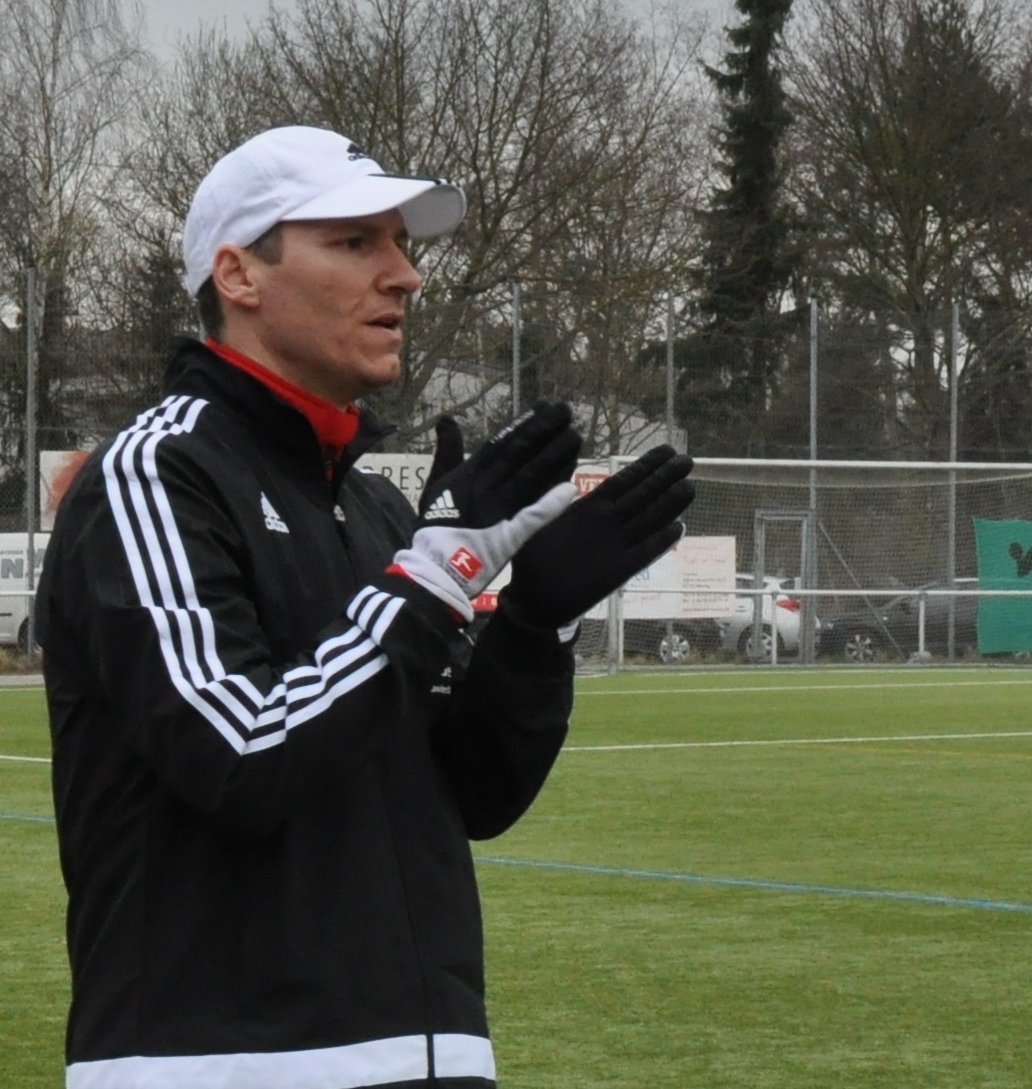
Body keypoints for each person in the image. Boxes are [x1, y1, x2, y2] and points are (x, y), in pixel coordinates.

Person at [35, 125, 695, 1089]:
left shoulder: (378, 505)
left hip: (429, 1056)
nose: (404, 275)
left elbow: (474, 794)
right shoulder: (157, 475)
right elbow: (244, 753)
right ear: (238, 274)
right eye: (354, 242)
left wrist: (534, 625)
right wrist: (438, 570)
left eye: (400, 244)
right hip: (222, 1066)